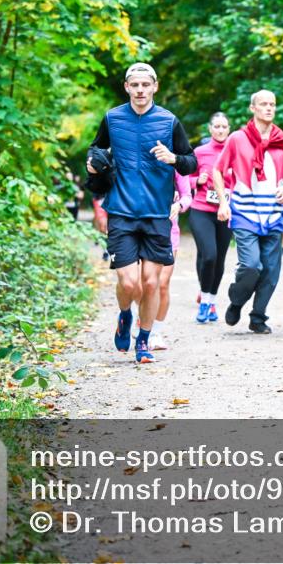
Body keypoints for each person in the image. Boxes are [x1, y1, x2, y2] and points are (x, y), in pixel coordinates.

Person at [86, 62, 197, 363]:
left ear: (155, 87)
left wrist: (173, 157)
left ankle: (144, 341)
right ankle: (125, 316)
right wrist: (92, 164)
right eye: (134, 85)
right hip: (121, 211)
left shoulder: (169, 121)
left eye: (145, 85)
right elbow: (96, 151)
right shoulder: (112, 118)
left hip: (156, 214)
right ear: (126, 87)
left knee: (151, 282)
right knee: (130, 283)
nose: (140, 90)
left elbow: (191, 162)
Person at [213, 90, 283, 334]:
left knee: (271, 272)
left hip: (273, 214)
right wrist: (223, 202)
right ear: (253, 108)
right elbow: (218, 170)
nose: (269, 108)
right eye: (263, 104)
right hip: (244, 213)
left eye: (272, 104)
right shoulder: (238, 139)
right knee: (251, 266)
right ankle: (237, 301)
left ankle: (258, 317)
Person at [189, 112, 234, 323]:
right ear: (210, 129)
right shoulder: (199, 152)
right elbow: (184, 178)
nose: (221, 130)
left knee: (220, 259)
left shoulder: (234, 152)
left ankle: (211, 300)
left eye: (224, 126)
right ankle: (204, 300)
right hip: (201, 209)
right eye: (216, 126)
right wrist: (197, 180)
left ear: (229, 129)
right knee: (209, 255)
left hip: (226, 212)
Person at [147, 170, 193, 349]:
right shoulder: (141, 159)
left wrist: (179, 205)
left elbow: (187, 196)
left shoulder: (176, 164)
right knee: (145, 283)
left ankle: (156, 333)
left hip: (168, 232)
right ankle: (138, 318)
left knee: (162, 283)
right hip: (142, 230)